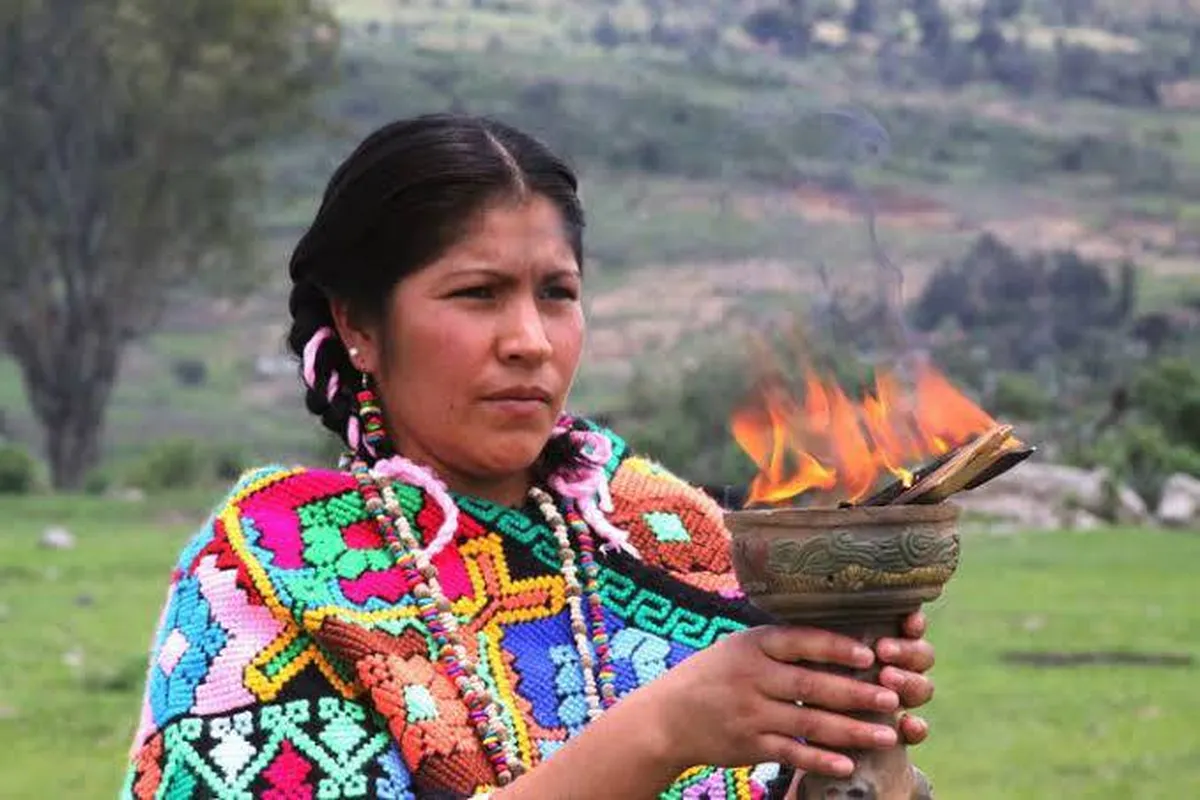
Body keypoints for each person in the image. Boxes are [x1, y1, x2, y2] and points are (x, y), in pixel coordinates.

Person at [121, 113, 936, 800]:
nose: (529, 341)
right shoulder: (274, 570)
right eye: (477, 294)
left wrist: (859, 736)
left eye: (557, 294)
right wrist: (659, 733)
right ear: (360, 326)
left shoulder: (672, 535)